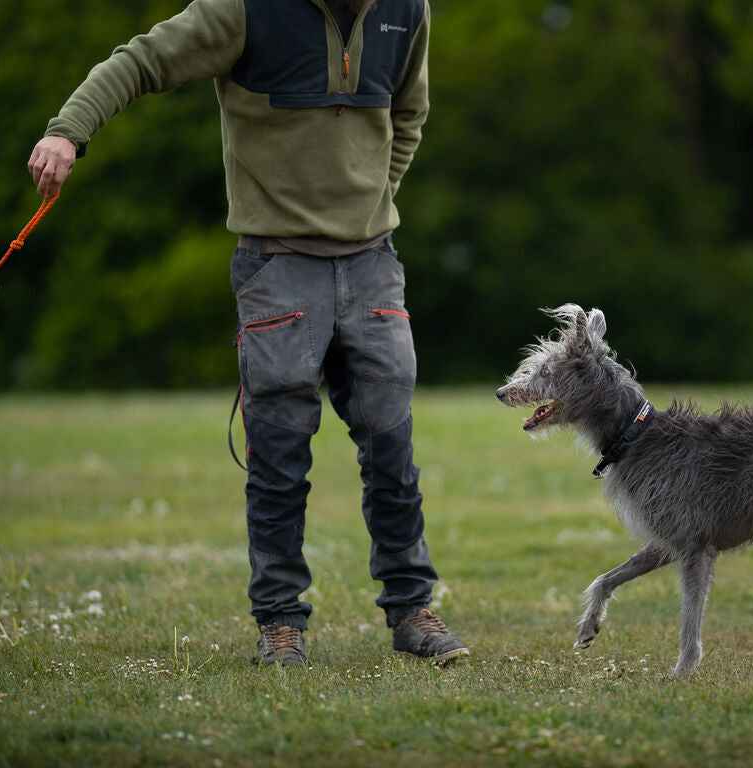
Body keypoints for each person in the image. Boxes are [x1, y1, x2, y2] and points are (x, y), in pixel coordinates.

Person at [29, 0, 468, 666]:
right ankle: (280, 623)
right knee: (279, 459)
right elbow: (141, 60)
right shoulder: (244, 9)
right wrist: (68, 131)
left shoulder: (407, 9)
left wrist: (374, 199)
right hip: (277, 266)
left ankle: (414, 613)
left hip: (373, 260)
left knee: (391, 450)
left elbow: (409, 112)